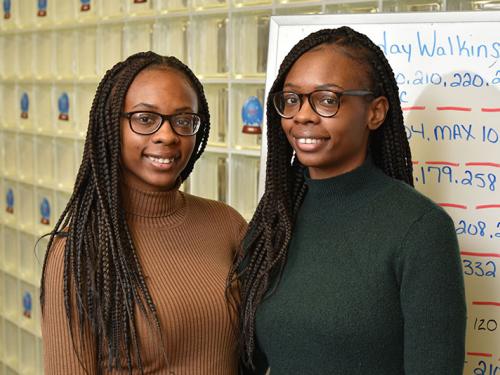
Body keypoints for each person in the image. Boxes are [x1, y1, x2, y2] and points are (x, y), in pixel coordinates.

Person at [229, 27, 466, 374]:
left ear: (376, 112)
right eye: (292, 99)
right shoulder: (275, 218)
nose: (302, 116)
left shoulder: (421, 230)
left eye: (327, 99)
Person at [41, 51, 247, 374]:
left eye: (183, 120)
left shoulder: (227, 224)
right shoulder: (78, 252)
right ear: (111, 125)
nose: (167, 135)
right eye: (145, 118)